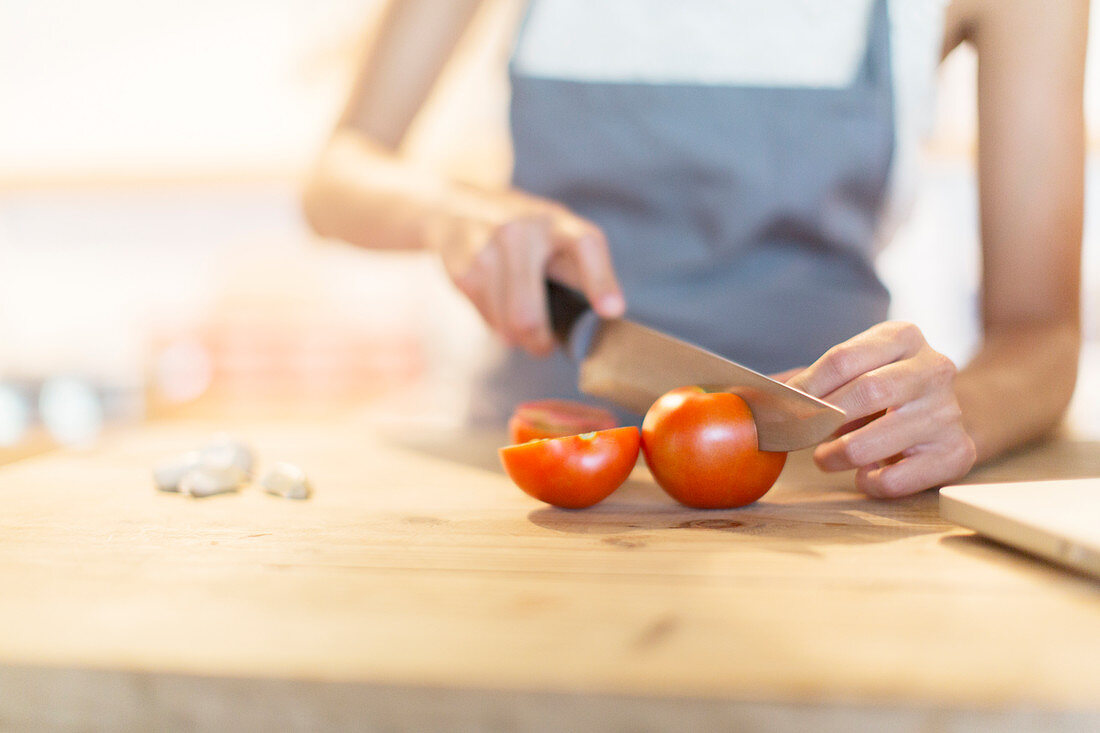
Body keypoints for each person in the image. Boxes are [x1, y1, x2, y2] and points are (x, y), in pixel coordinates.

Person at [302, 0, 1086, 499]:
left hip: (827, 489)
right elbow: (340, 172)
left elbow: (1041, 328)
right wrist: (451, 211)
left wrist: (964, 412)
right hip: (529, 474)